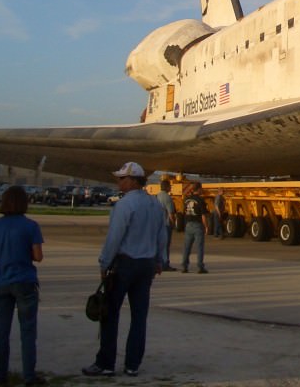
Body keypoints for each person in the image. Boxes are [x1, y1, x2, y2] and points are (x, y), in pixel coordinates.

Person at [83, 162, 167, 378]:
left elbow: (115, 238)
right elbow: (161, 234)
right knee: (139, 317)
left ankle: (106, 363)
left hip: (125, 264)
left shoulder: (124, 205)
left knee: (109, 313)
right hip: (146, 265)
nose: (118, 182)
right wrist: (160, 260)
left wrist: (104, 263)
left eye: (122, 178)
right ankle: (132, 364)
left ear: (132, 180)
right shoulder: (155, 205)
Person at [0, 185, 45, 387]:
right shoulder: (31, 226)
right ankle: (29, 376)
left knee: (1, 332)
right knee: (28, 332)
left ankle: (0, 376)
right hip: (25, 280)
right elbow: (38, 256)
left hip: (1, 281)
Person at [181, 181, 208, 274]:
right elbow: (203, 215)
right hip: (197, 225)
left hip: (188, 225)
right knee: (199, 247)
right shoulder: (201, 201)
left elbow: (184, 211)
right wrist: (206, 226)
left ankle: (184, 266)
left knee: (187, 247)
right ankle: (200, 267)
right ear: (199, 189)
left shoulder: (187, 200)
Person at [154, 179, 177, 270]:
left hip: (158, 224)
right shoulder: (167, 197)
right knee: (166, 245)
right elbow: (171, 213)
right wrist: (173, 224)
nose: (170, 188)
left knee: (159, 245)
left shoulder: (157, 196)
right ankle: (165, 264)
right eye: (170, 186)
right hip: (166, 224)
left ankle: (158, 263)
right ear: (167, 187)